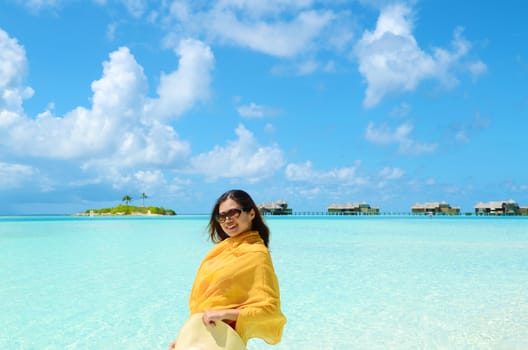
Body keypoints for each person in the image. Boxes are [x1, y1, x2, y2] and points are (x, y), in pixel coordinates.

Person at [168, 189, 286, 349]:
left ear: (251, 213)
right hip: (200, 338)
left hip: (223, 341)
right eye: (222, 216)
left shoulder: (257, 254)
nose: (227, 220)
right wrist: (185, 339)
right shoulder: (222, 250)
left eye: (234, 213)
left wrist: (224, 313)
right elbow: (204, 302)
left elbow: (269, 310)